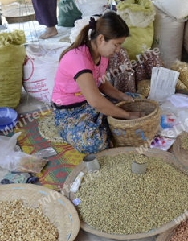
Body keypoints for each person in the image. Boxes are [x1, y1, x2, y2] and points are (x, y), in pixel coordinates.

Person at [51, 12, 143, 154]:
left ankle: (110, 125)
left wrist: (122, 97)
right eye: (116, 44)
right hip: (69, 113)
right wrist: (127, 116)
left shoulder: (101, 55)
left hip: (88, 105)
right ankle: (109, 127)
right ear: (101, 39)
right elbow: (95, 101)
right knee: (94, 142)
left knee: (135, 99)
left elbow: (102, 84)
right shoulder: (78, 59)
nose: (118, 50)